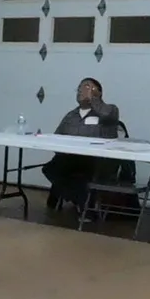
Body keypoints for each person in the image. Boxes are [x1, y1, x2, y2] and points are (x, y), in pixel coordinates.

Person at [42, 78, 120, 210]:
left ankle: (80, 202)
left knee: (80, 174)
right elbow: (56, 137)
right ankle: (79, 200)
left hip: (98, 160)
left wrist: (94, 99)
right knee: (51, 168)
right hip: (71, 158)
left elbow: (107, 114)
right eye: (79, 88)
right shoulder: (71, 115)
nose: (80, 91)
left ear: (98, 92)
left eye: (86, 87)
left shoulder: (110, 110)